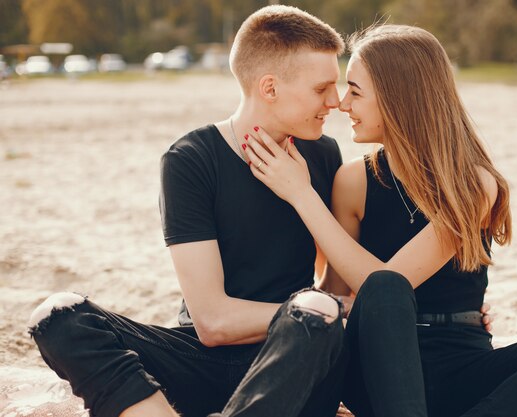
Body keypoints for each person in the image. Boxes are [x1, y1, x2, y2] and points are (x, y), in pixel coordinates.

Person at [242, 24, 517, 417]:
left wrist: (303, 196)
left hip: (463, 363)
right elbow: (340, 290)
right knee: (385, 292)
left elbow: (392, 279)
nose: (342, 104)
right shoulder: (354, 181)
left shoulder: (474, 184)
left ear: (397, 98)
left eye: (355, 91)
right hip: (374, 367)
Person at [26, 6, 348, 417]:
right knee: (59, 316)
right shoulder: (191, 159)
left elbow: (333, 284)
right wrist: (297, 314)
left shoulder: (323, 154)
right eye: (323, 89)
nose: (335, 102)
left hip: (293, 361)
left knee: (319, 314)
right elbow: (212, 322)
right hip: (199, 360)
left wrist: (305, 320)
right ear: (270, 88)